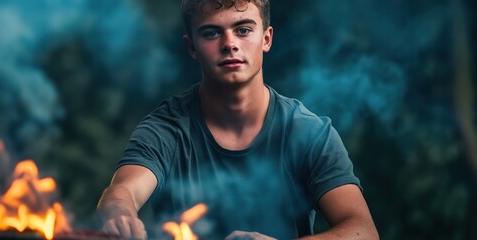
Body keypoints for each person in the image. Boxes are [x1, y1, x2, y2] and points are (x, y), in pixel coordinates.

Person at [97, 0, 378, 239]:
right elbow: (123, 191)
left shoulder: (310, 133)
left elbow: (363, 230)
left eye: (243, 30)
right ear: (191, 46)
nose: (230, 44)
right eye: (211, 33)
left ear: (266, 38)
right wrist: (118, 214)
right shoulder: (166, 129)